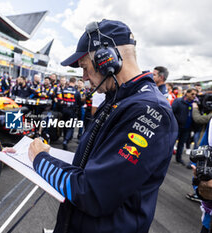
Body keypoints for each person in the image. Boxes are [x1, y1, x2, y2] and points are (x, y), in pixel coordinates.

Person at [23, 19, 177, 232]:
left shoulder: (149, 111)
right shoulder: (118, 99)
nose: (84, 78)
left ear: (107, 59)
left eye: (84, 68)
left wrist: (40, 159)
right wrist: (52, 154)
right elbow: (96, 162)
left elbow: (93, 193)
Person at [172, 88, 198, 165]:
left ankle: (178, 158)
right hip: (177, 127)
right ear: (187, 93)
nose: (194, 96)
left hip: (187, 128)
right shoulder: (178, 101)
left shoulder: (194, 104)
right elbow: (172, 112)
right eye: (192, 94)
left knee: (181, 144)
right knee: (171, 143)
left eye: (195, 94)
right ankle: (164, 158)